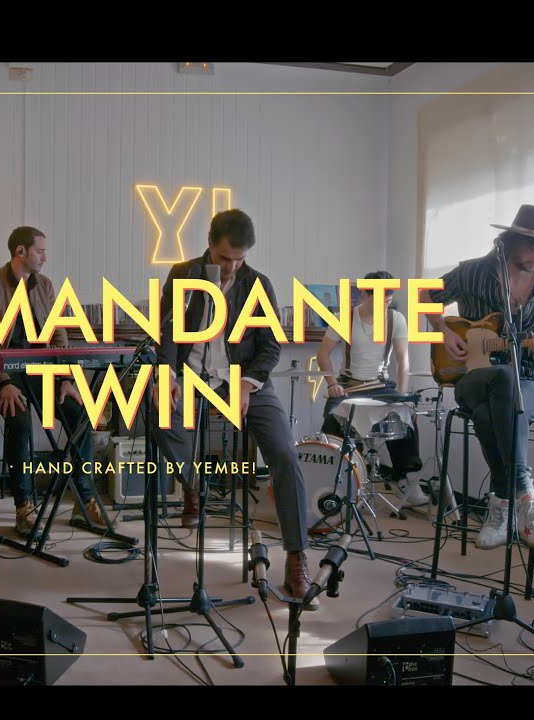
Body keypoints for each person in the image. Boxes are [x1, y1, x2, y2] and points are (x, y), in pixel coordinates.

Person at [152, 209, 317, 606]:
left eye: (240, 260)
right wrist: (165, 374)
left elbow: (271, 347)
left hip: (245, 381)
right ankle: (195, 484)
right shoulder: (183, 274)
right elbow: (168, 331)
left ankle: (297, 557)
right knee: (157, 413)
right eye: (225, 258)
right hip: (191, 375)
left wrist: (246, 384)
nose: (232, 267)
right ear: (210, 245)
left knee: (284, 454)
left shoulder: (259, 284)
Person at [418, 204, 534, 550]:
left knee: (493, 408)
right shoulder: (472, 272)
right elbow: (423, 293)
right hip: (471, 377)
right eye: (532, 246)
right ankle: (528, 498)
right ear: (511, 239)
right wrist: (443, 330)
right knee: (502, 377)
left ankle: (501, 505)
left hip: (533, 381)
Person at [0, 226, 105, 536]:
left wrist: (65, 378)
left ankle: (84, 500)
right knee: (19, 420)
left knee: (79, 415)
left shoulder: (44, 285)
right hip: (5, 373)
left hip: (41, 371)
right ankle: (24, 507)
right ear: (21, 251)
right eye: (40, 251)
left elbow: (58, 334)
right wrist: (3, 382)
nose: (45, 257)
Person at [315, 270, 425, 506]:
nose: (384, 305)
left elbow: (402, 360)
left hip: (380, 385)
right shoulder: (344, 317)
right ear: (365, 294)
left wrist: (403, 396)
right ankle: (335, 482)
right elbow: (323, 354)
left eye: (388, 300)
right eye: (379, 300)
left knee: (406, 418)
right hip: (349, 384)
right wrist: (332, 384)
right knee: (331, 419)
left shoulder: (395, 319)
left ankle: (406, 481)